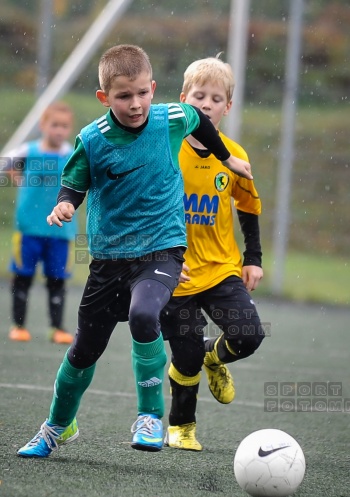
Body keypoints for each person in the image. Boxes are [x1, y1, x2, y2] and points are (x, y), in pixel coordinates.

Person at [17, 44, 253, 458]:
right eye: (124, 96)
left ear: (154, 88)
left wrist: (226, 158)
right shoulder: (92, 138)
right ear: (104, 98)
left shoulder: (171, 118)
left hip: (162, 250)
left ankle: (149, 416)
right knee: (82, 352)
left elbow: (200, 121)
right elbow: (75, 181)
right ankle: (57, 426)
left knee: (145, 314)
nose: (136, 103)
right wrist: (66, 202)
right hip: (109, 260)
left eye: (143, 93)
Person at [160, 56, 265, 451]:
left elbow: (249, 208)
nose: (206, 104)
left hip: (221, 269)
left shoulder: (234, 156)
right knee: (184, 356)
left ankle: (214, 356)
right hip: (175, 272)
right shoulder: (166, 151)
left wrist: (252, 257)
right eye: (198, 96)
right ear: (183, 98)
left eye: (215, 98)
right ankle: (181, 426)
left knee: (250, 336)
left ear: (227, 106)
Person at [7, 102, 76, 344]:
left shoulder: (73, 154)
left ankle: (57, 328)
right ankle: (18, 326)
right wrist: (20, 183)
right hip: (28, 229)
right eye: (54, 125)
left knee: (57, 281)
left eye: (64, 126)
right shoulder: (29, 151)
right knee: (22, 278)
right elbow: (6, 164)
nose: (59, 130)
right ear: (43, 125)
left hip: (60, 231)